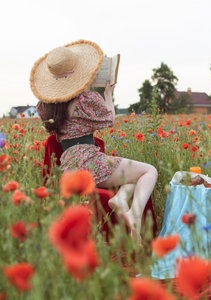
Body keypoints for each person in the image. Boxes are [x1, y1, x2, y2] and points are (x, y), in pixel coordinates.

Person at [30, 40, 158, 244]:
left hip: (69, 168)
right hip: (90, 163)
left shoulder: (46, 106)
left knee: (130, 174)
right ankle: (134, 214)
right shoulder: (85, 100)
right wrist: (108, 93)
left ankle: (121, 199)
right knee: (149, 171)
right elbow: (109, 119)